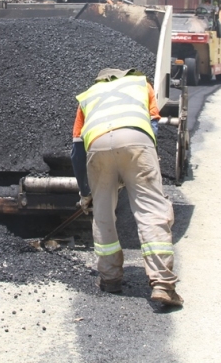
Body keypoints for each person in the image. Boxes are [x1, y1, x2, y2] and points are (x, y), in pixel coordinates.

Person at [70, 68, 183, 307]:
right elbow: (153, 125)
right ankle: (162, 283)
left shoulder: (88, 95)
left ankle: (110, 279)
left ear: (101, 80)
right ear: (124, 76)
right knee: (151, 209)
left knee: (102, 215)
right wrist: (136, 163)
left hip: (97, 146)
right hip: (137, 140)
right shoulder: (142, 84)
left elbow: (77, 151)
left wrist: (86, 192)